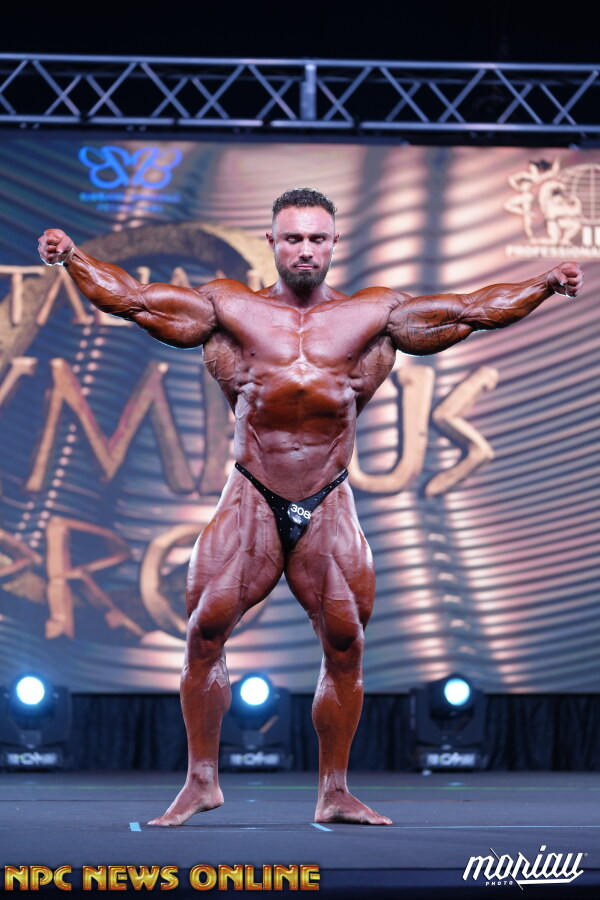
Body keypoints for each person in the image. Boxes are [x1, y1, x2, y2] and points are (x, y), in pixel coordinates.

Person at [38, 188, 583, 826]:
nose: (305, 250)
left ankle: (334, 791)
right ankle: (201, 781)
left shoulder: (373, 314)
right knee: (205, 631)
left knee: (346, 644)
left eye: (317, 238)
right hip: (253, 491)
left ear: (334, 244)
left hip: (328, 498)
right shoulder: (229, 307)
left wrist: (545, 282)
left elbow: (471, 311)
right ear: (271, 242)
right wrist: (72, 257)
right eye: (293, 238)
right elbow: (133, 300)